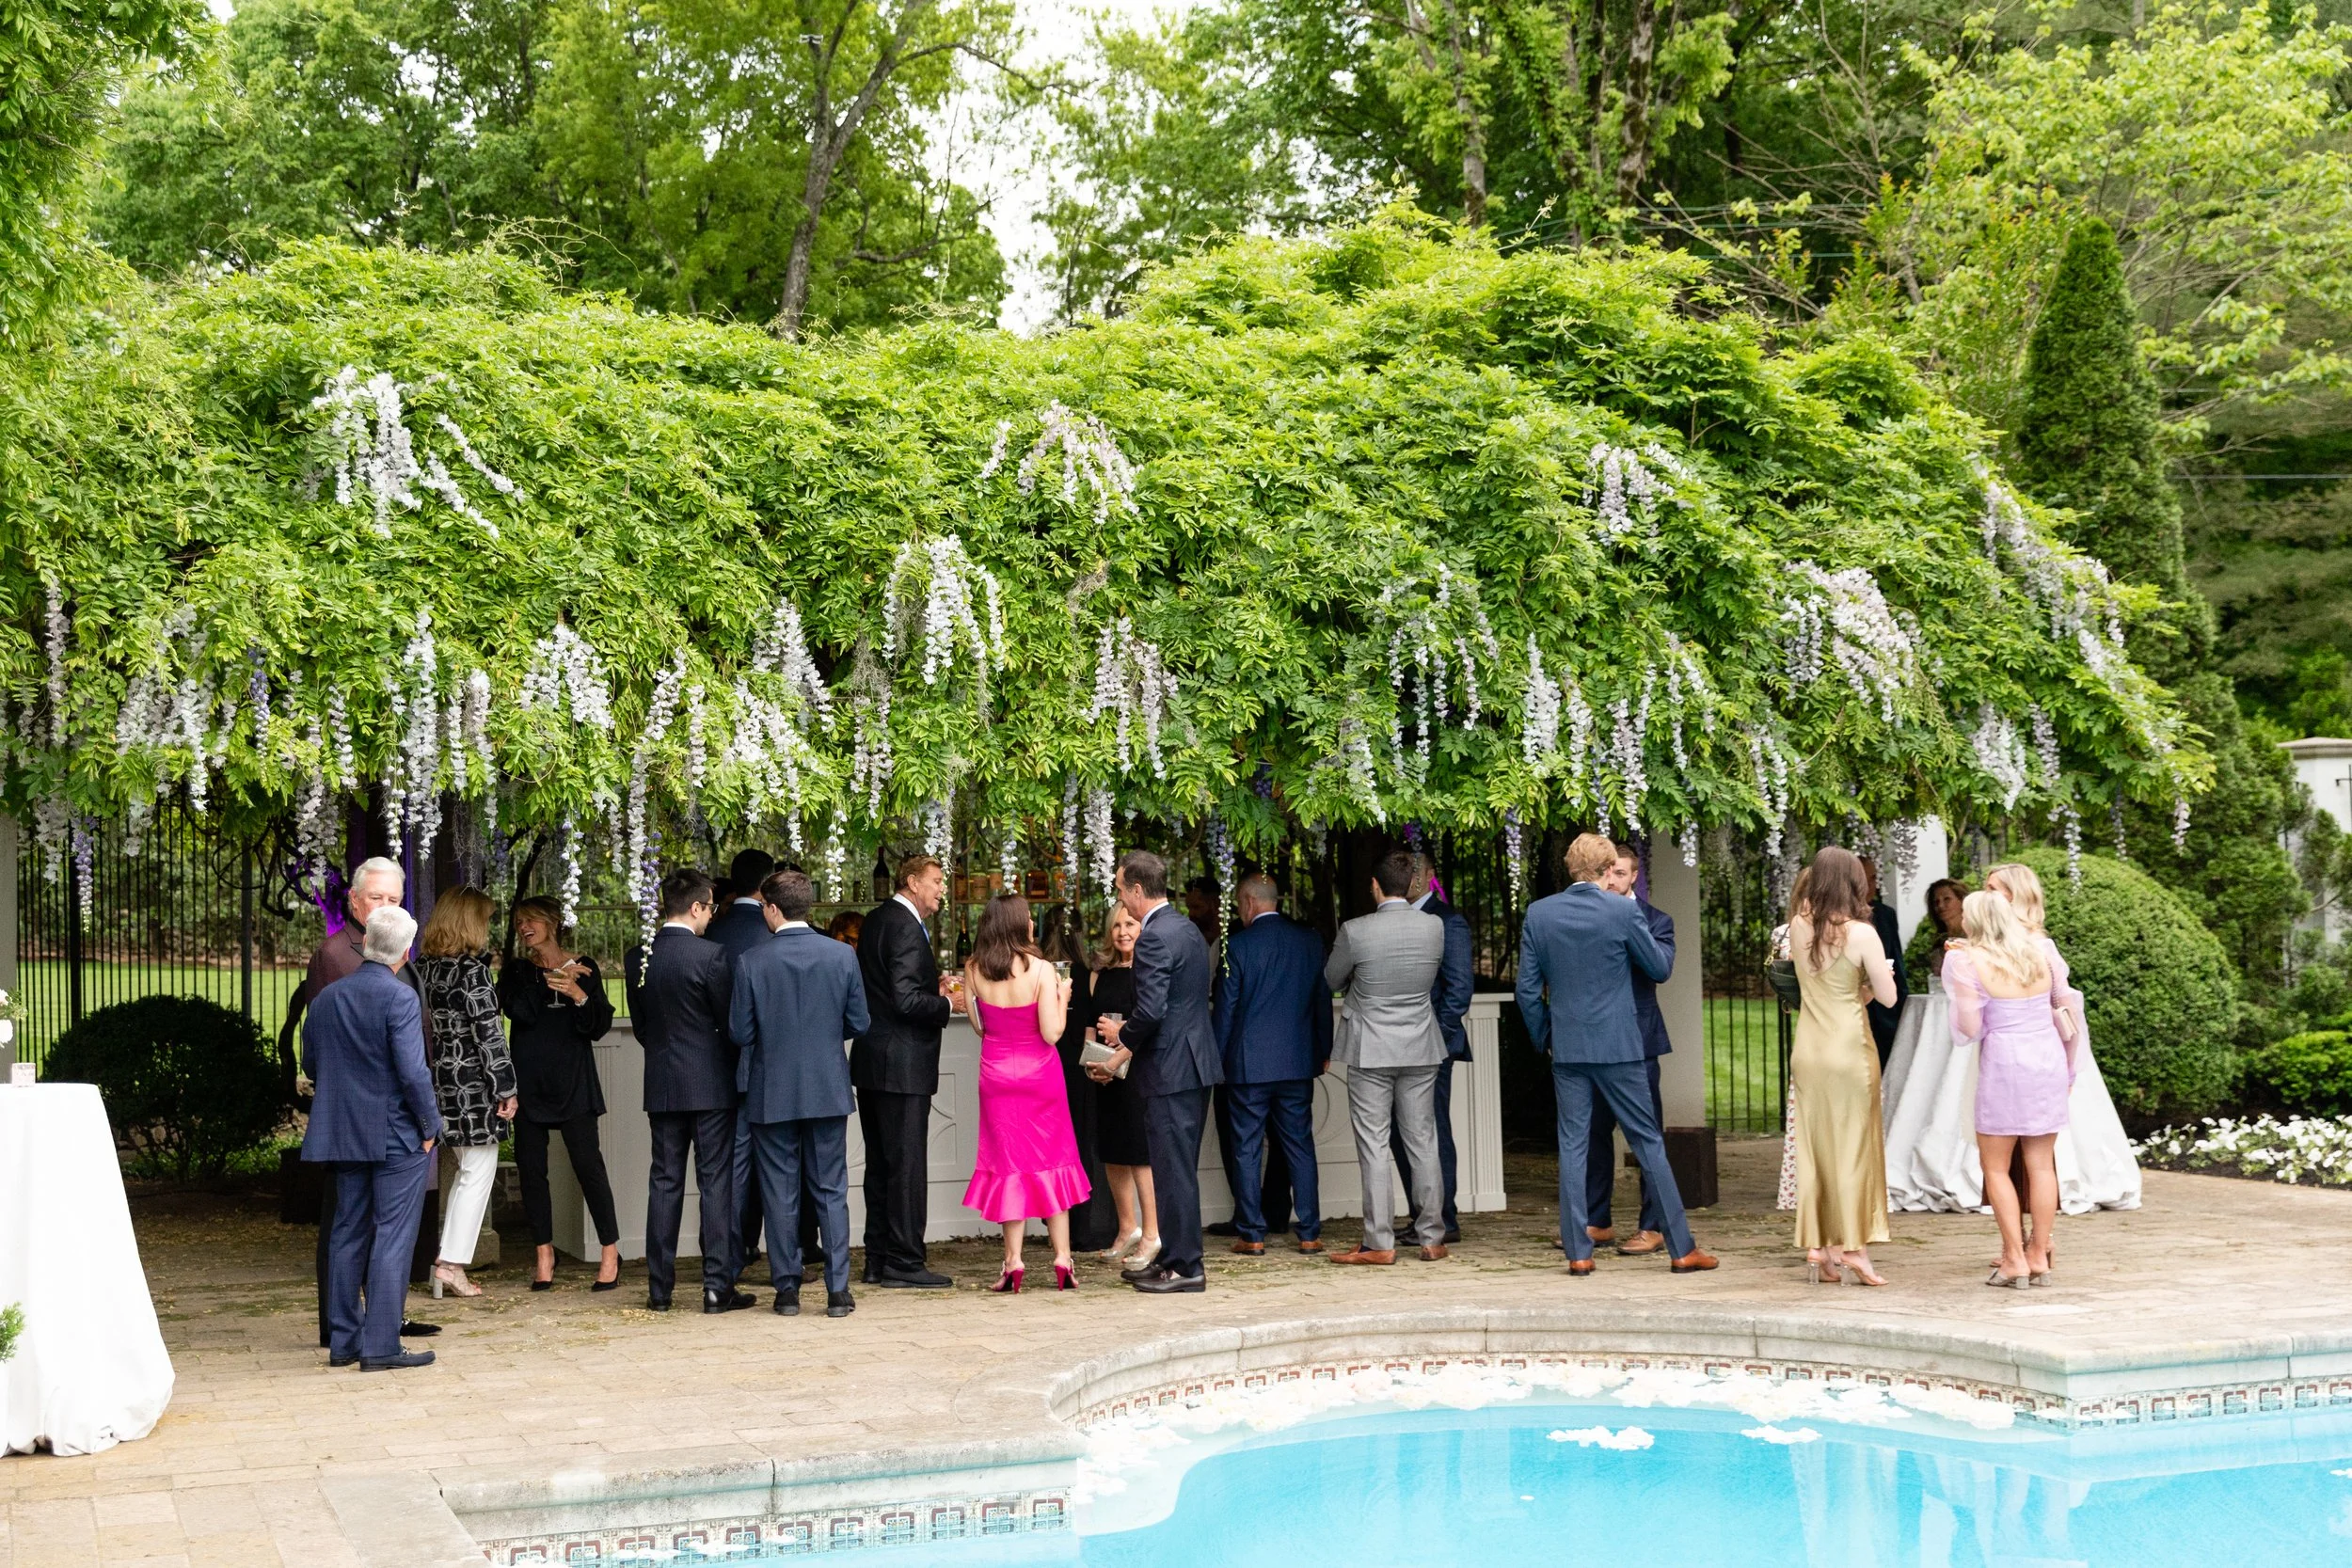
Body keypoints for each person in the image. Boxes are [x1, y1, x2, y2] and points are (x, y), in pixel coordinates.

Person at [1518, 832, 1716, 1276]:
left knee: (1572, 1147)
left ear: (1571, 868)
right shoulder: (1622, 911)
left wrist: (1545, 1037)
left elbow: (1527, 991)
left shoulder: (1540, 913)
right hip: (1622, 1047)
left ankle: (1579, 1253)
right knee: (1647, 1143)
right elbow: (1659, 968)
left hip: (1568, 1048)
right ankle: (1682, 1250)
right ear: (1609, 869)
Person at [293, 857, 439, 1348]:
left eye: (393, 899)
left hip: (345, 1125)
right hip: (387, 1122)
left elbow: (314, 1056)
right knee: (384, 1232)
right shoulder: (336, 955)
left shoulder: (350, 982)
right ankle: (374, 1339)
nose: (384, 907)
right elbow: (408, 1066)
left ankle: (348, 1339)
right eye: (376, 898)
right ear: (354, 901)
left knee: (350, 1232)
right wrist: (428, 1122)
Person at [732, 870, 869, 1318]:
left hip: (772, 1089)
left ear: (772, 908)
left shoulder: (753, 960)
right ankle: (837, 1291)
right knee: (831, 1188)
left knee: (779, 1191)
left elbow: (740, 1031)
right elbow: (860, 1022)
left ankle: (787, 1291)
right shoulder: (842, 957)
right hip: (827, 1086)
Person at [624, 869, 755, 1315]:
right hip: (712, 1084)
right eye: (710, 908)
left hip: (662, 1082)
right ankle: (717, 1288)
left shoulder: (637, 956)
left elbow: (642, 1027)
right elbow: (731, 1025)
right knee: (716, 1184)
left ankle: (659, 1291)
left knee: (664, 1182)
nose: (710, 917)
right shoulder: (712, 956)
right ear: (696, 907)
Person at [1983, 861, 2140, 1221]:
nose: (1985, 896)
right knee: (2031, 1164)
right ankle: (2032, 1247)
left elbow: (2067, 1009)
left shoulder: (2034, 947)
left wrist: (2071, 1069)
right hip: (2033, 1060)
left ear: (2014, 896)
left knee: (2025, 1163)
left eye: (1993, 890)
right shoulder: (2015, 945)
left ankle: (2030, 1246)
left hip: (2024, 1060)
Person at [1096, 850, 1222, 1293]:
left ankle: (1185, 1267)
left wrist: (1118, 1052)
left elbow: (1149, 1012)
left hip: (1170, 1067)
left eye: (1119, 887)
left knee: (1173, 1171)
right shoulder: (1185, 927)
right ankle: (1172, 1258)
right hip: (1192, 1062)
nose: (1118, 896)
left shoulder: (1152, 937)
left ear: (1135, 889)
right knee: (1175, 1168)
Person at [1323, 849, 1450, 1264]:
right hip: (1420, 1044)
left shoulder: (1356, 930)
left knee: (1374, 1145)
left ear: (1375, 887)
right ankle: (1431, 1236)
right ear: (1414, 885)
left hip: (1371, 1047)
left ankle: (1379, 1243)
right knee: (1423, 1140)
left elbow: (1332, 979)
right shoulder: (1433, 926)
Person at [1946, 888, 2074, 1287]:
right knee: (2041, 1164)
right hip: (2046, 1058)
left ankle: (2014, 1257)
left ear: (1975, 922)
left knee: (1996, 1167)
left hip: (2005, 1061)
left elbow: (1968, 1029)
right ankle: (2039, 1251)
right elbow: (2063, 998)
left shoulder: (1964, 960)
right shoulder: (2041, 952)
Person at [961, 895, 1090, 1292]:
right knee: (1053, 1159)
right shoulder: (1042, 969)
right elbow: (1052, 1033)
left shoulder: (973, 968)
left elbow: (980, 1027)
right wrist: (1063, 998)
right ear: (1021, 926)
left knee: (1008, 1164)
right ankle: (1062, 1258)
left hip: (997, 1074)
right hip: (1040, 1076)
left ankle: (1013, 1261)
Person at [1788, 846, 1899, 1286]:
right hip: (1850, 1051)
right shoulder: (1862, 934)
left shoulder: (1799, 927)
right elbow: (1888, 997)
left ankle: (1820, 1246)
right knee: (1854, 1149)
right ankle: (1854, 1247)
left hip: (1809, 1051)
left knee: (1816, 1151)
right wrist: (1874, 980)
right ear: (1854, 883)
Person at [501, 895, 621, 1291]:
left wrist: (577, 992)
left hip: (574, 1082)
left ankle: (609, 1252)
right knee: (533, 1171)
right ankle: (544, 1255)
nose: (523, 927)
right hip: (529, 1084)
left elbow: (598, 1025)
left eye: (530, 919)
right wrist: (549, 978)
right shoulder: (517, 970)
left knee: (590, 1167)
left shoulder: (585, 967)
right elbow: (522, 1013)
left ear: (552, 922)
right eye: (518, 921)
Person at [854, 854, 962, 1289]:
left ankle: (878, 1258)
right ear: (912, 881)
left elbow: (888, 988)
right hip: (900, 1062)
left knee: (881, 1165)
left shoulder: (879, 919)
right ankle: (904, 1261)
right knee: (905, 1166)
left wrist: (927, 987)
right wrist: (946, 1004)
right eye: (936, 881)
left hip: (875, 1059)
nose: (942, 889)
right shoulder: (903, 924)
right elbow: (902, 999)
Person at [1215, 872, 1330, 1255]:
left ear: (1248, 902)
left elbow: (1226, 1011)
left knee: (1246, 1147)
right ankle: (1310, 1231)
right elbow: (1321, 1003)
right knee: (1299, 1145)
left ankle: (1252, 1234)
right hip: (1297, 1062)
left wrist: (1219, 1056)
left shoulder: (1239, 946)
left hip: (1248, 1066)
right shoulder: (1309, 941)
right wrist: (1323, 1049)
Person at [413, 886, 516, 1300]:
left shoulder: (421, 968)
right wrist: (506, 1088)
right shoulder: (471, 972)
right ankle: (451, 1264)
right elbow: (489, 1037)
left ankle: (446, 1262)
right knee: (477, 1172)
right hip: (473, 1088)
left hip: (435, 1082)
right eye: (486, 919)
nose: (489, 927)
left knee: (463, 1172)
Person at [1582, 842, 1677, 1258]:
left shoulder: (1656, 921)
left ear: (1635, 876)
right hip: (1595, 1042)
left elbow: (1659, 969)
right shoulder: (1587, 918)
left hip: (1638, 1043)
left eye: (1621, 873)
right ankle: (1596, 1221)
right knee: (1592, 1134)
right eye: (1608, 872)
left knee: (1645, 1136)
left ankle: (1653, 1227)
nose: (1613, 880)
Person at [1392, 855, 1472, 1243]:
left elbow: (1458, 990)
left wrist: (1436, 1040)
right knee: (1401, 1132)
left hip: (1434, 1046)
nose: (1409, 880)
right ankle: (1422, 1214)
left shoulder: (1447, 920)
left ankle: (1444, 1218)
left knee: (1431, 1130)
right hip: (1400, 1045)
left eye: (1414, 874)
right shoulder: (1394, 918)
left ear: (1428, 878)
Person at [1881, 877, 1973, 1213]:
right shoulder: (1939, 941)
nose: (1940, 906)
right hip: (1938, 1006)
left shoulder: (1975, 938)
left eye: (1947, 899)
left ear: (1963, 901)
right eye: (1936, 901)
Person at [708, 848, 779, 1270]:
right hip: (770, 1064)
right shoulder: (773, 933)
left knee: (728, 1167)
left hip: (719, 1063)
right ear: (766, 884)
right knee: (779, 1166)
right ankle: (786, 1258)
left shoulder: (712, 932)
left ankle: (727, 1258)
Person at [1082, 903, 1158, 1268]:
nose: (1123, 932)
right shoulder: (1100, 973)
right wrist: (1091, 1065)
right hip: (1105, 1076)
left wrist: (1121, 1037)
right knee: (1113, 1153)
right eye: (1116, 926)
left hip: (1139, 1072)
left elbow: (1151, 1024)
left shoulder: (1149, 970)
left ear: (1142, 928)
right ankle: (1126, 1228)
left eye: (1130, 924)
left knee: (1140, 1155)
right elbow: (1088, 1023)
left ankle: (1152, 1234)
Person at [1041, 902, 1118, 1252]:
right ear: (1081, 932)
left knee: (1050, 1148)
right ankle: (1089, 1227)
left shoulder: (1037, 971)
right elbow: (1090, 1029)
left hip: (1044, 1065)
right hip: (1078, 1069)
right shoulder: (1087, 973)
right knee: (1084, 1145)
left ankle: (1058, 1226)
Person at [1858, 857, 1912, 1067]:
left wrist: (1902, 1004)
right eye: (1866, 879)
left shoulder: (1885, 914)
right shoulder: (1838, 919)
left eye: (1874, 878)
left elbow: (1896, 961)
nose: (1872, 885)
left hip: (1885, 1010)